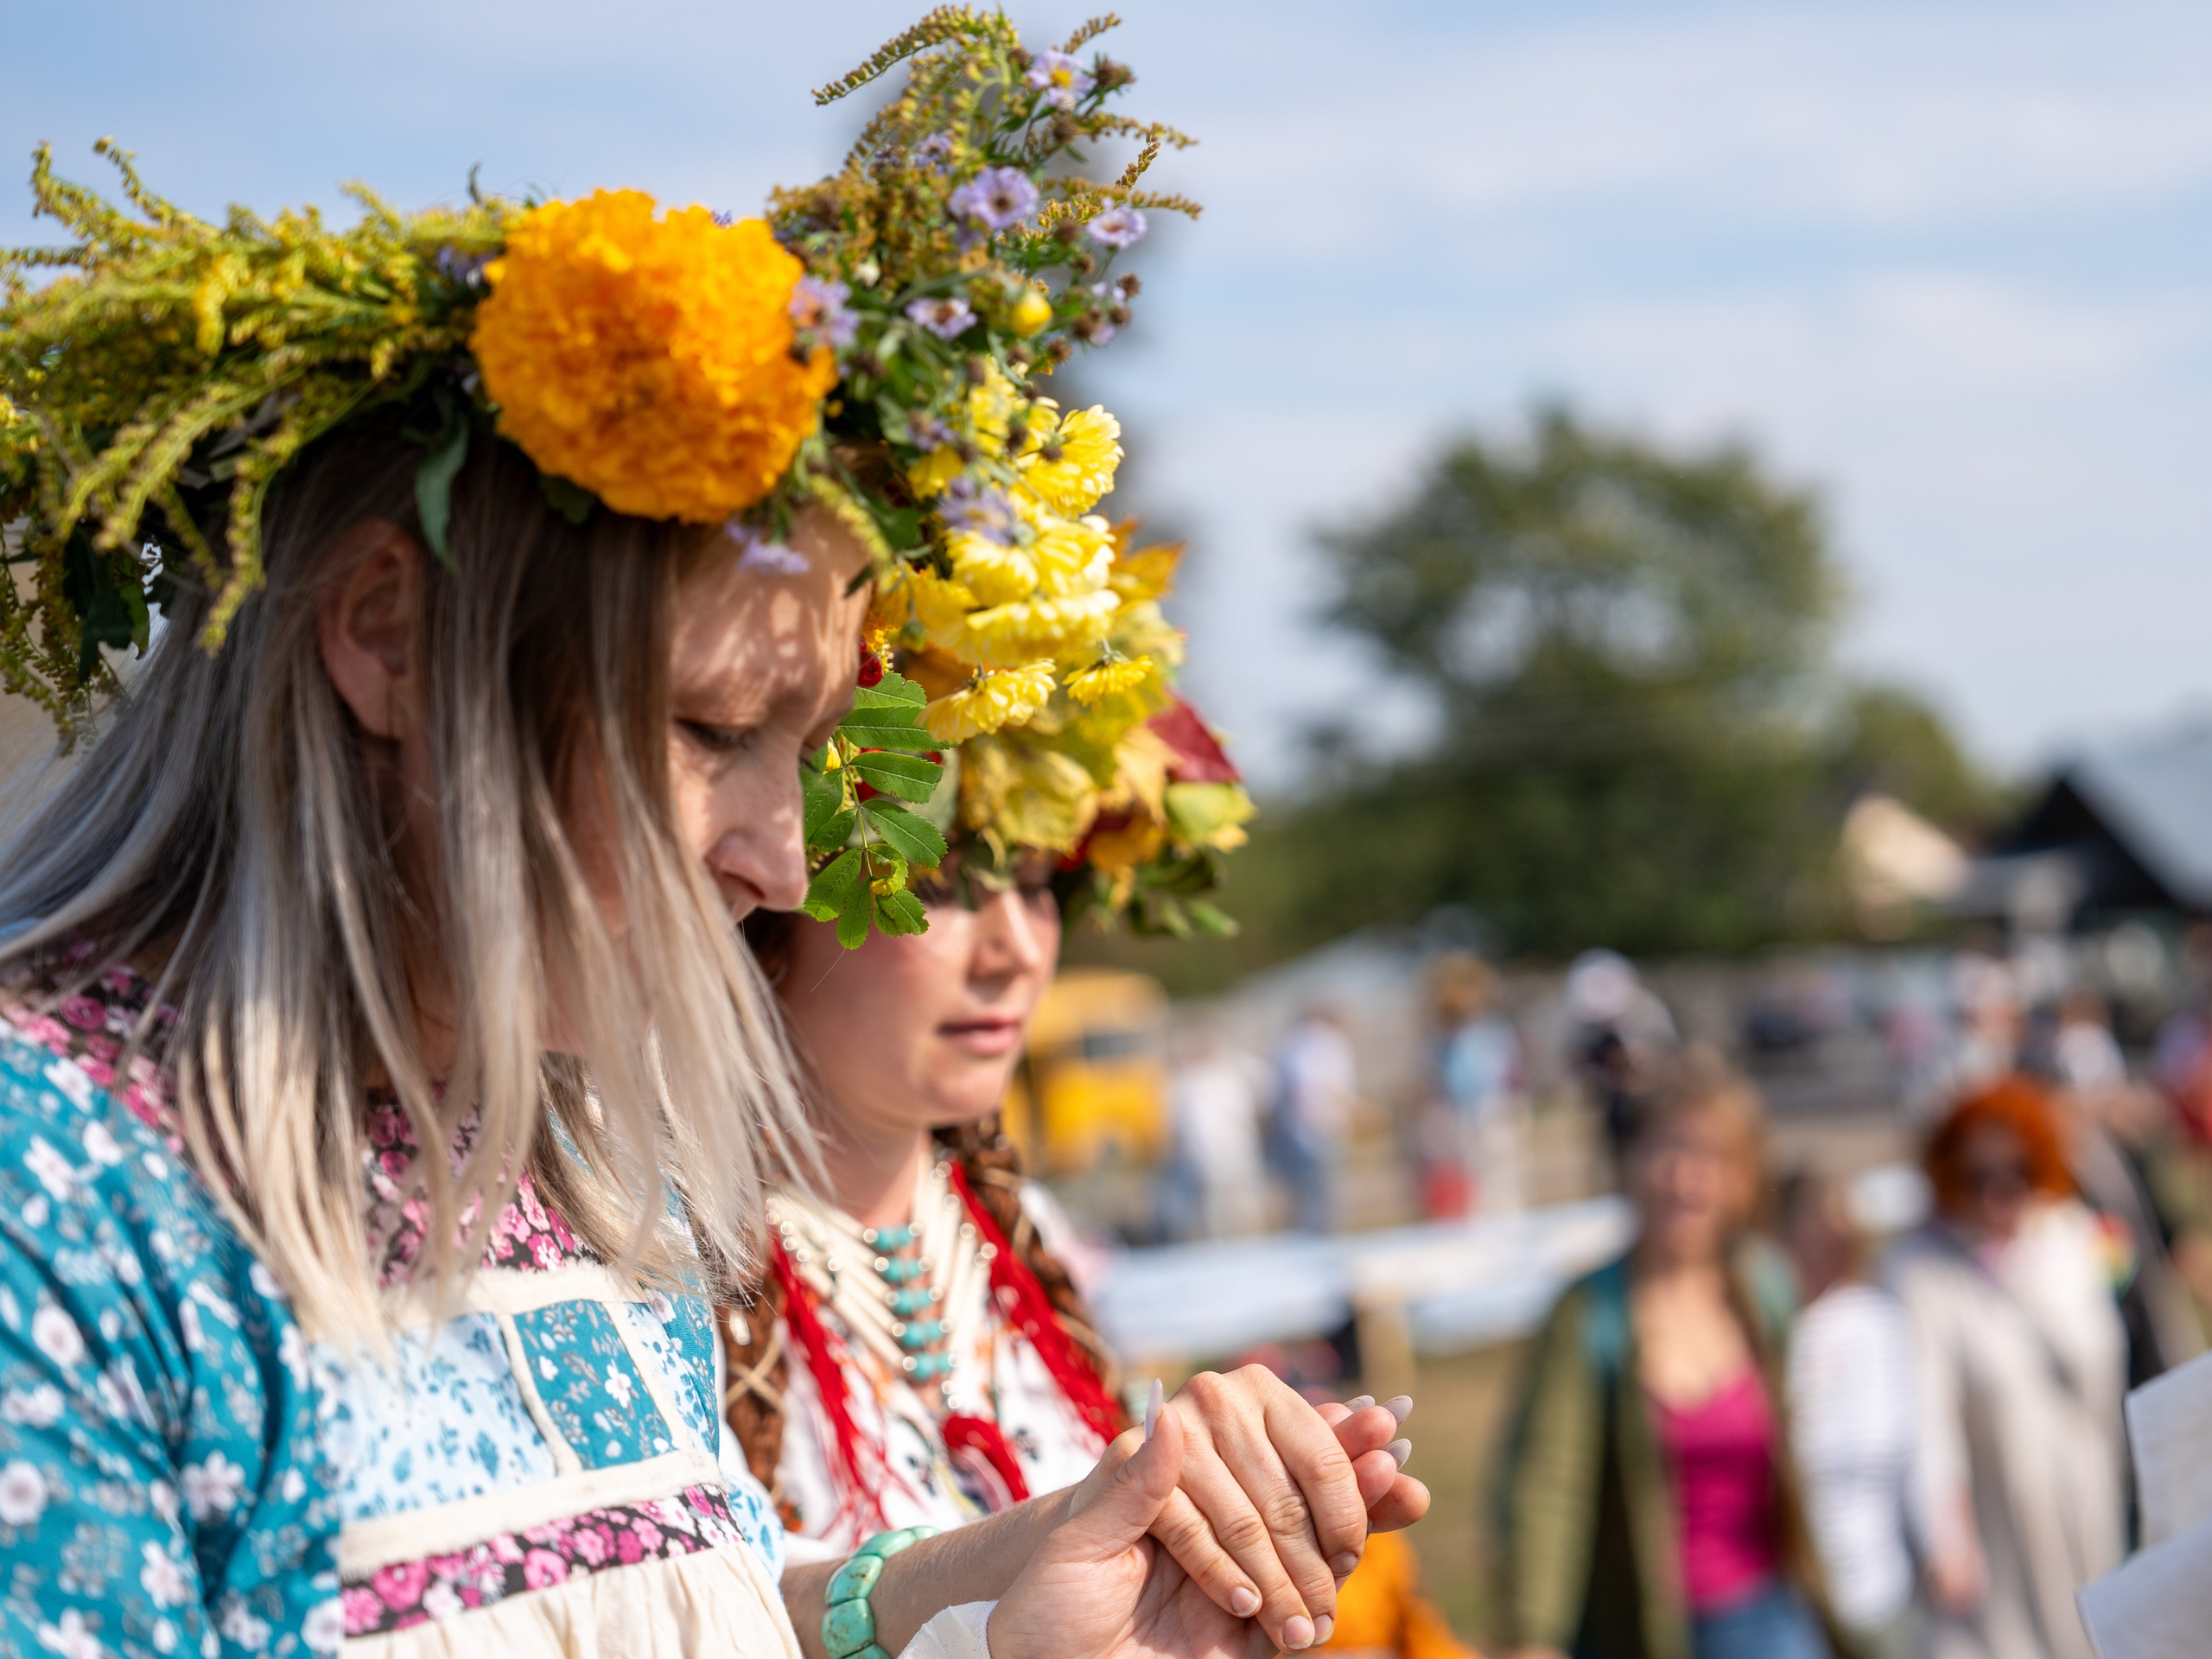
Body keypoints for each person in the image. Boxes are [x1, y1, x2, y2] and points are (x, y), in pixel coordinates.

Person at [0, 22, 1421, 1658]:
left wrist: (1021, 1579)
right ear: (388, 636)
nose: (788, 864)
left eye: (804, 751)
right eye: (704, 731)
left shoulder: (576, 1174)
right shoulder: (63, 1199)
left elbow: (710, 1608)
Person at [1496, 1050, 1838, 1659]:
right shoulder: (1586, 1314)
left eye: (1712, 1157)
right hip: (1645, 1631)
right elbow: (1548, 1488)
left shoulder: (1766, 1290)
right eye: (1667, 1149)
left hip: (1773, 1617)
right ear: (1627, 1161)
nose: (1686, 1178)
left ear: (1744, 1175)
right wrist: (1534, 1635)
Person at [1888, 1076, 2127, 1659]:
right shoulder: (1921, 1270)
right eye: (1978, 1176)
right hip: (2002, 1517)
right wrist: (1945, 1536)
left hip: (2092, 1499)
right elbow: (1927, 1414)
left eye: (2017, 1169)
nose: (2000, 1190)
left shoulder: (2072, 1240)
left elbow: (2111, 1356)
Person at [1777, 1171, 1921, 1659]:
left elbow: (1920, 1447)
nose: (1819, 1253)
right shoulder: (1770, 1326)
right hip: (1793, 1599)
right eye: (1807, 1238)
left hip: (1883, 1582)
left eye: (1833, 1239)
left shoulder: (1880, 1319)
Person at [1430, 953, 1528, 1215]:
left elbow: (1505, 1071)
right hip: (1462, 1110)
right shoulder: (1448, 1040)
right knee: (1471, 1173)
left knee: (1501, 1172)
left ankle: (1507, 1218)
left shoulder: (1493, 1032)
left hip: (1493, 1106)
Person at [1164, 1022, 1272, 1240]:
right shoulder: (1185, 1081)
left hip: (1239, 1151)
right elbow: (1178, 1124)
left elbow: (1266, 1085)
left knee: (1245, 1211)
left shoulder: (1233, 1070)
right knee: (1215, 1215)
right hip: (1204, 1160)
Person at [1274, 1007, 1359, 1233]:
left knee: (1309, 1197)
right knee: (1321, 1200)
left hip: (1301, 1130)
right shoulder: (1326, 1044)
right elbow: (1324, 1086)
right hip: (1319, 1128)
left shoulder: (1293, 1044)